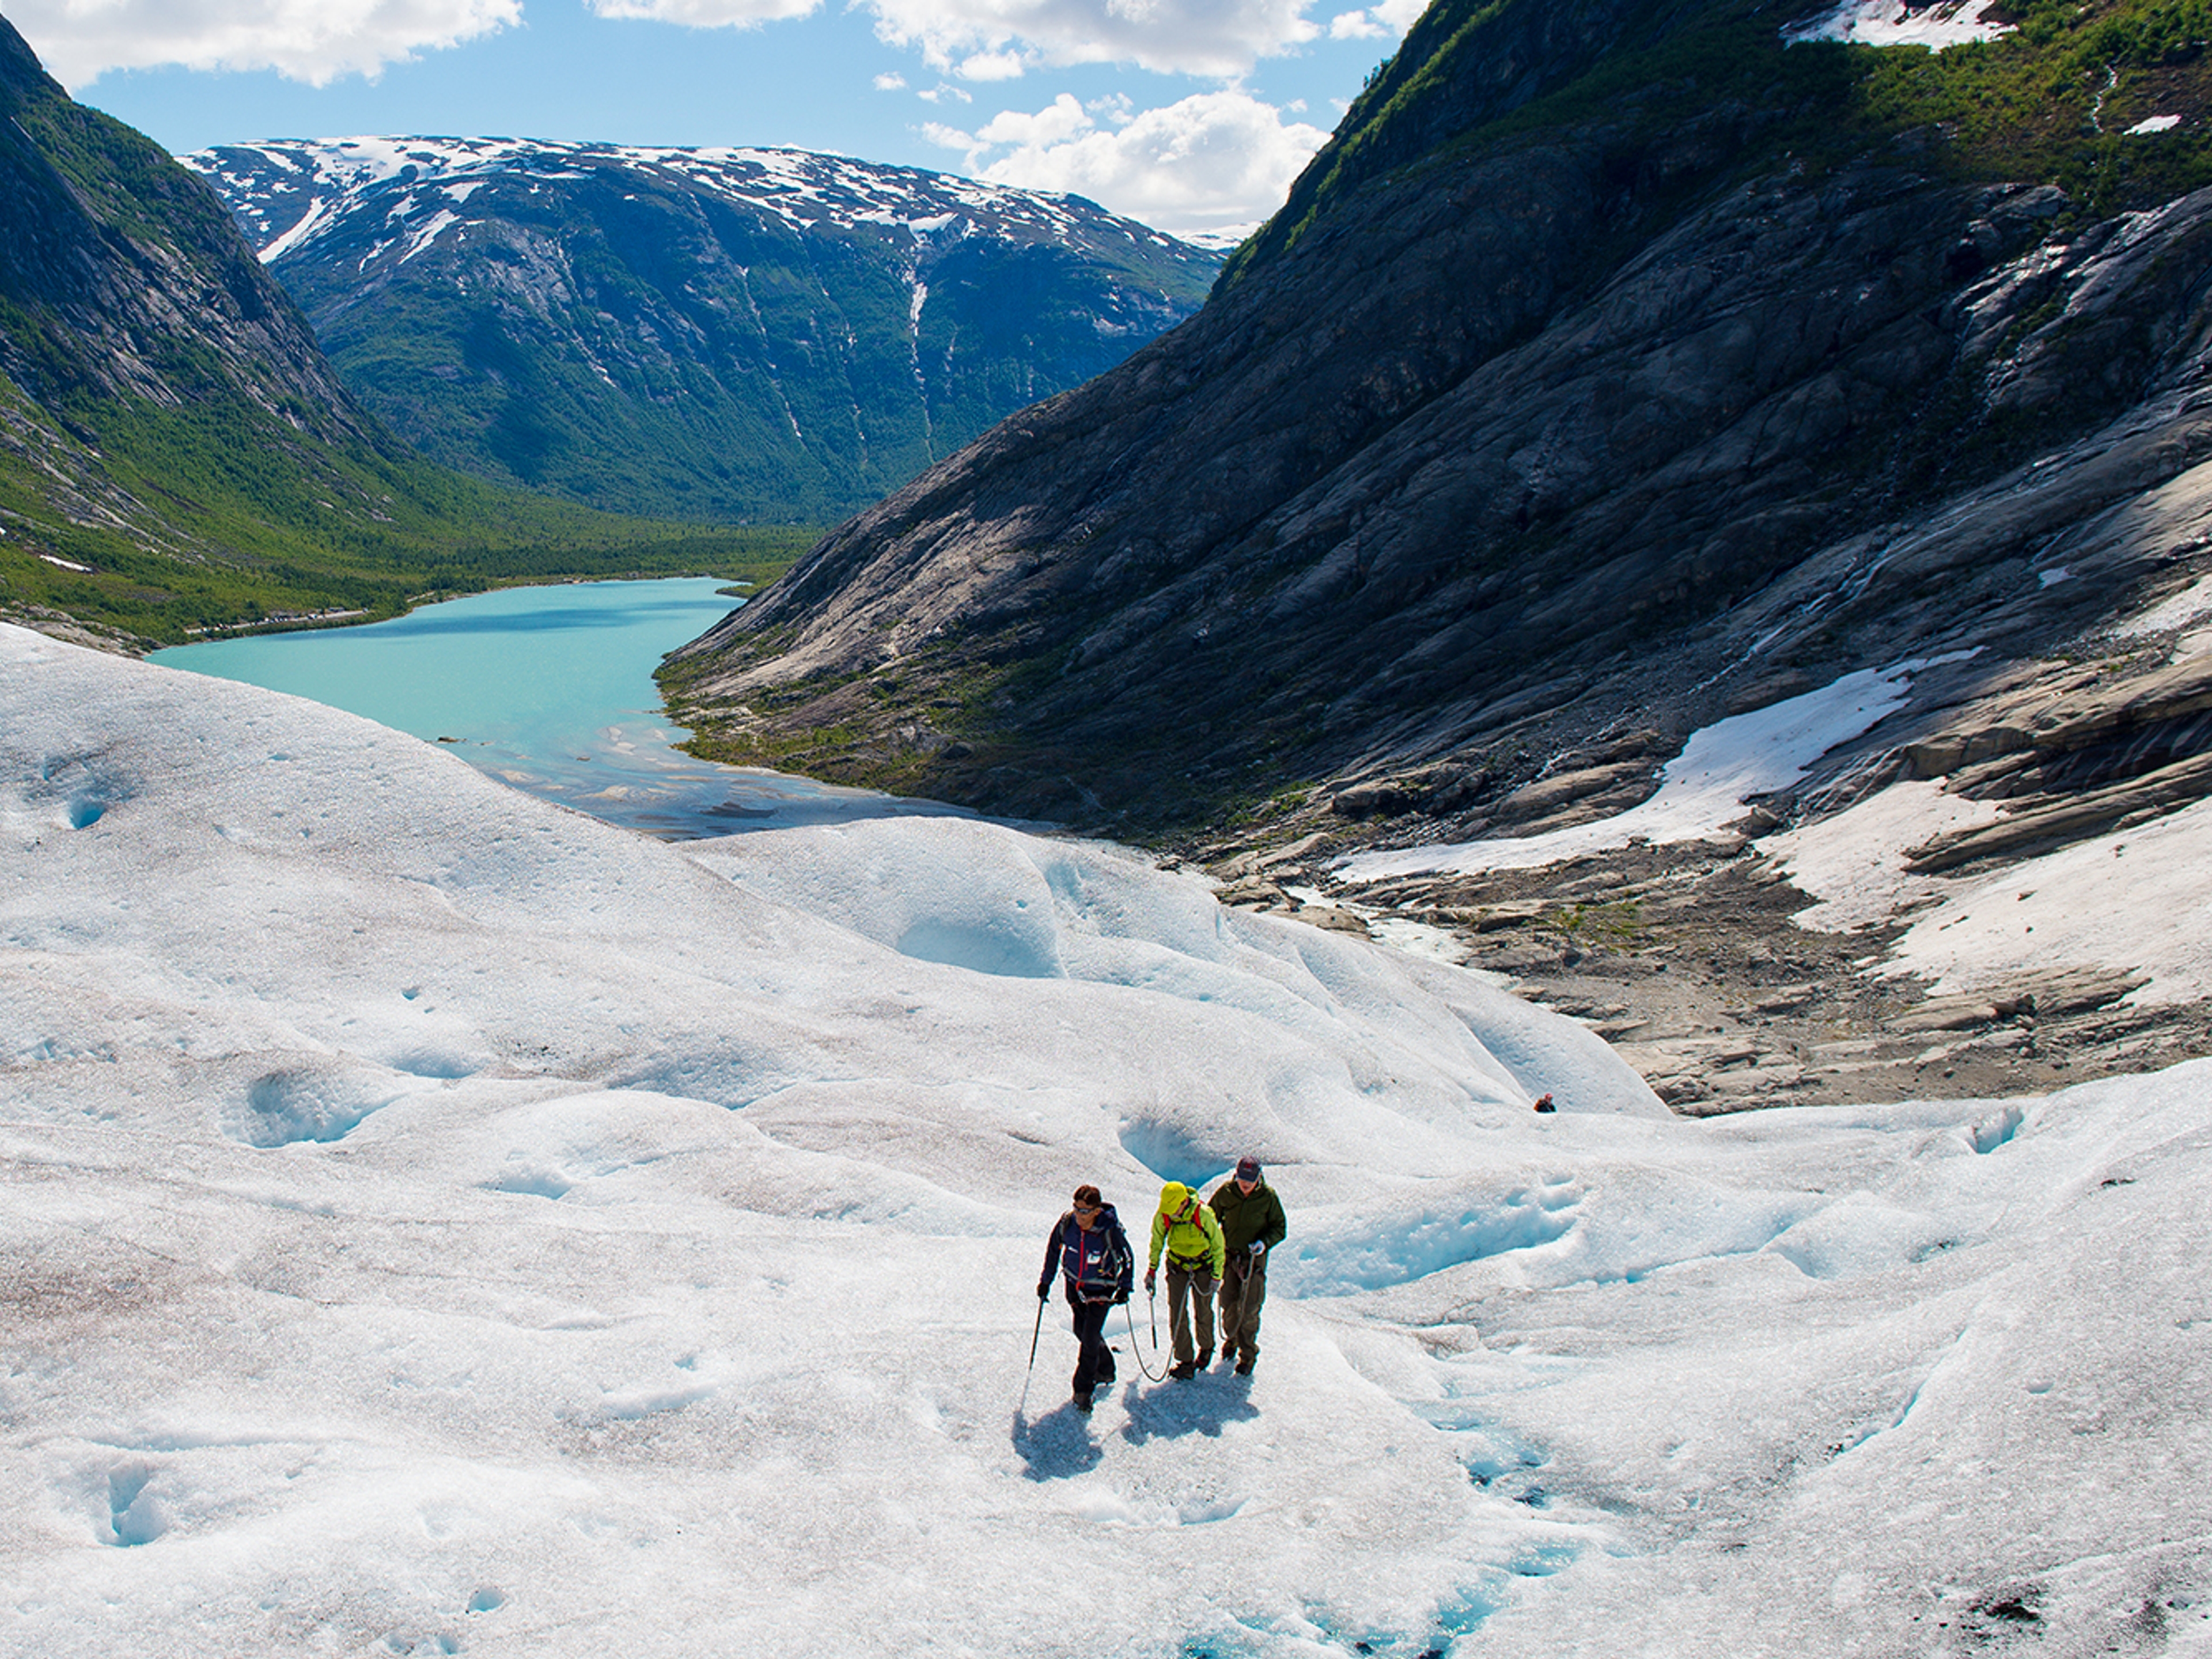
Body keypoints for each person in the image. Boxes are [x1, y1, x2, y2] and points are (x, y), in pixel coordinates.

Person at [1038, 1184, 1132, 1412]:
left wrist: (1124, 1287)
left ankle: (1083, 1390)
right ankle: (1106, 1367)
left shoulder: (1109, 1230)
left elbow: (1127, 1257)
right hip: (1074, 1286)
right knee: (1082, 1331)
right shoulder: (1066, 1224)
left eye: (1085, 1211)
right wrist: (1045, 1282)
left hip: (1101, 1289)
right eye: (1077, 1208)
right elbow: (1053, 1251)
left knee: (1089, 1338)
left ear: (1097, 1211)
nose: (1079, 1215)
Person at [1209, 1156, 1286, 1377]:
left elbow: (1279, 1227)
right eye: (1243, 1179)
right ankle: (1231, 1339)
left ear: (1259, 1178)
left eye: (1250, 1180)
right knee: (1229, 1301)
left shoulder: (1268, 1198)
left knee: (1250, 1307)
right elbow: (1211, 1217)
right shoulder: (1227, 1192)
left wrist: (1264, 1243)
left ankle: (1248, 1355)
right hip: (1230, 1257)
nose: (1245, 1184)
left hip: (1254, 1261)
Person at [1144, 1180, 1226, 1380]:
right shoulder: (1164, 1215)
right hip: (1177, 1267)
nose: (1172, 1213)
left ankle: (1206, 1348)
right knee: (1177, 1312)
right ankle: (1185, 1361)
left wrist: (1217, 1275)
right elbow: (1157, 1241)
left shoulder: (1203, 1214)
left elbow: (1218, 1245)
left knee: (1203, 1311)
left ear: (1184, 1202)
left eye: (1175, 1209)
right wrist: (1151, 1271)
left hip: (1203, 1267)